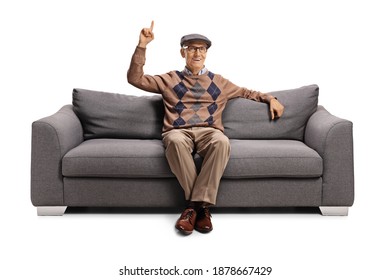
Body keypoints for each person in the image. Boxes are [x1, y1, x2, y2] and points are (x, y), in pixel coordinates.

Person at [127, 21, 284, 235]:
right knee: (173, 140)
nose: (197, 53)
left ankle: (192, 208)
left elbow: (247, 93)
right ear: (183, 53)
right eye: (191, 48)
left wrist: (270, 98)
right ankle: (202, 209)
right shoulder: (169, 79)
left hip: (209, 132)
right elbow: (134, 78)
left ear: (207, 53)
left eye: (201, 48)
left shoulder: (219, 82)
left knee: (222, 142)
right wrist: (142, 46)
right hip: (178, 131)